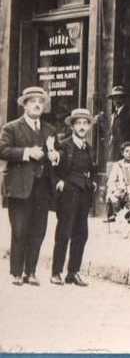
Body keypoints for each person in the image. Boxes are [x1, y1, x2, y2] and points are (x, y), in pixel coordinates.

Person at [0, 86, 61, 286]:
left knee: (38, 230)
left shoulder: (49, 130)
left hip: (42, 187)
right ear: (25, 105)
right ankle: (17, 273)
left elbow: (56, 152)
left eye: (40, 102)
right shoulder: (11, 127)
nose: (37, 104)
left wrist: (56, 156)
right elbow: (3, 150)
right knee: (19, 229)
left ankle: (31, 272)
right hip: (19, 187)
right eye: (32, 101)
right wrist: (26, 153)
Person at [50, 108, 97, 287]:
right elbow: (52, 168)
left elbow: (91, 169)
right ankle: (56, 272)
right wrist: (59, 182)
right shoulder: (64, 145)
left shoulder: (89, 148)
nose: (82, 126)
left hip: (84, 194)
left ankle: (73, 272)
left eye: (85, 123)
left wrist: (92, 182)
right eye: (78, 123)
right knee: (64, 232)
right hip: (68, 193)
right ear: (72, 126)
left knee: (81, 234)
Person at [97, 85, 130, 162]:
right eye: (114, 98)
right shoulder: (114, 115)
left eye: (119, 97)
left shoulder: (129, 114)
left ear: (123, 99)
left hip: (125, 152)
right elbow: (111, 132)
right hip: (114, 151)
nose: (116, 100)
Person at [105, 142, 130, 222]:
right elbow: (111, 180)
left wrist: (127, 190)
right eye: (126, 151)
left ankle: (127, 214)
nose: (129, 154)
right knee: (112, 196)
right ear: (122, 153)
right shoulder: (117, 164)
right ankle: (117, 214)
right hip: (119, 189)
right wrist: (116, 189)